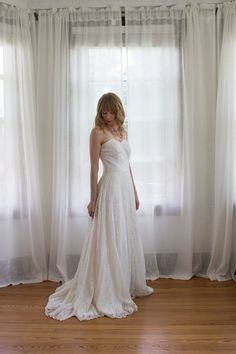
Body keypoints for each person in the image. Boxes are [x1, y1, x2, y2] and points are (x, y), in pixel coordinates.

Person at [45, 92, 153, 321]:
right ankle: (107, 289)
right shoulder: (97, 133)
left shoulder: (123, 132)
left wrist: (134, 192)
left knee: (123, 236)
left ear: (118, 110)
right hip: (111, 189)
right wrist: (93, 199)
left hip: (124, 189)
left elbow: (128, 165)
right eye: (103, 112)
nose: (107, 116)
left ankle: (123, 284)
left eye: (111, 111)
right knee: (109, 237)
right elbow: (94, 168)